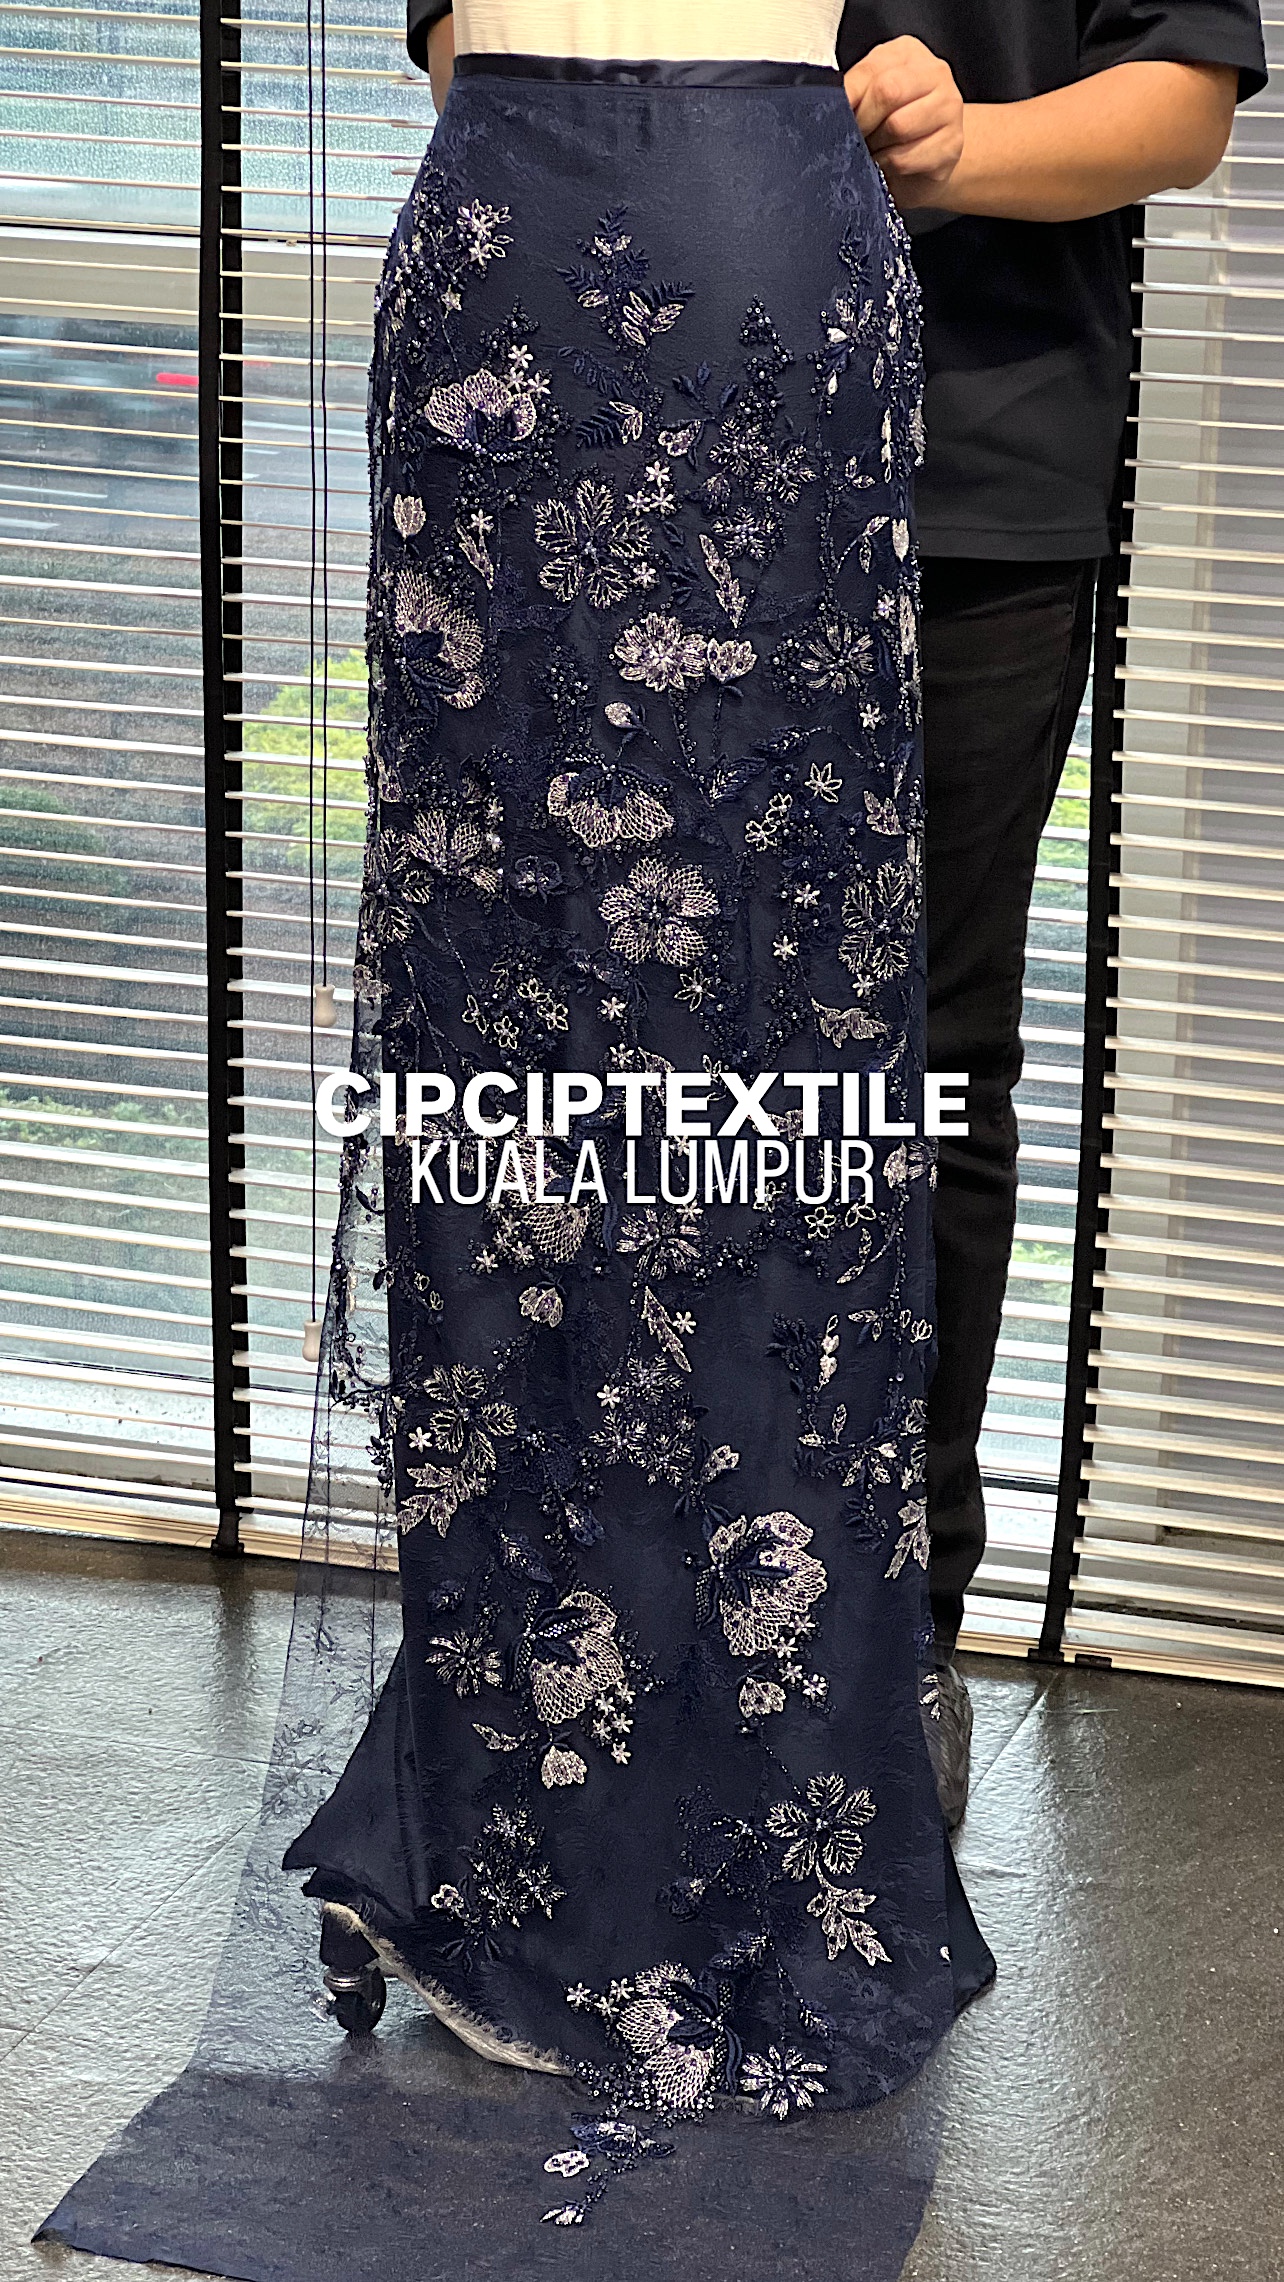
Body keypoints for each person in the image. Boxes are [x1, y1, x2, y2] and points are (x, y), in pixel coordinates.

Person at [407, 0, 1266, 1828]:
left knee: (915, 1069)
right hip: (631, 448)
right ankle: (600, 1614)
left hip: (974, 481)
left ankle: (888, 1640)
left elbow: (1183, 101)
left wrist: (957, 149)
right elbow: (474, 56)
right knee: (597, 1052)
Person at [285, 0, 997, 2192]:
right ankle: (517, 1792)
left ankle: (747, 1788)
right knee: (501, 1037)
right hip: (500, 243)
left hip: (765, 246)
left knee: (765, 1032)